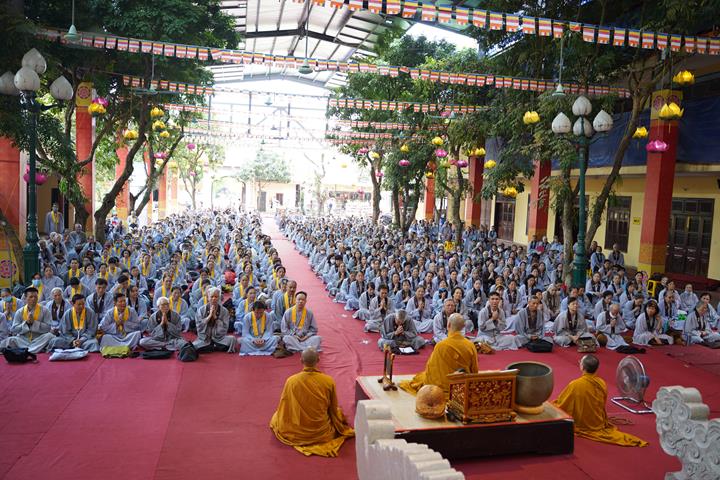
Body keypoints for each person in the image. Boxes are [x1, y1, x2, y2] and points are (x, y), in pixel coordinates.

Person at [269, 348, 354, 457]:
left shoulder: (291, 381)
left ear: (301, 360)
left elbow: (286, 407)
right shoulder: (328, 381)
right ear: (318, 360)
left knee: (277, 416)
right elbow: (332, 408)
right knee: (338, 412)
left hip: (296, 431)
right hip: (320, 432)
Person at [553, 354, 648, 447]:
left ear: (582, 367)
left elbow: (563, 404)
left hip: (583, 424)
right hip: (598, 421)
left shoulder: (575, 385)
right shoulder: (601, 383)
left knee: (554, 407)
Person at [400, 313, 479, 398]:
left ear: (448, 325)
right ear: (463, 327)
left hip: (442, 387)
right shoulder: (470, 345)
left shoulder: (441, 345)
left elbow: (431, 369)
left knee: (420, 378)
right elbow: (474, 370)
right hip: (461, 385)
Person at [1, 287, 55, 353]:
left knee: (50, 336)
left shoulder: (45, 310)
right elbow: (14, 329)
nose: (33, 299)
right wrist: (26, 323)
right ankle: (35, 349)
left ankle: (27, 350)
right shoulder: (20, 312)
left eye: (35, 296)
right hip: (23, 340)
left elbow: (48, 328)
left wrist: (34, 323)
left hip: (40, 338)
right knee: (10, 340)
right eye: (31, 297)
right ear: (26, 298)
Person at [193, 287, 237, 353]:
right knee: (194, 346)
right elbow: (199, 325)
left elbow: (225, 327)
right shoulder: (201, 310)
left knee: (232, 340)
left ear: (219, 298)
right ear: (208, 298)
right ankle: (213, 346)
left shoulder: (224, 311)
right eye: (212, 297)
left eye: (216, 297)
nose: (214, 299)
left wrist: (215, 317)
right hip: (205, 338)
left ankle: (212, 346)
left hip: (219, 338)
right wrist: (209, 316)